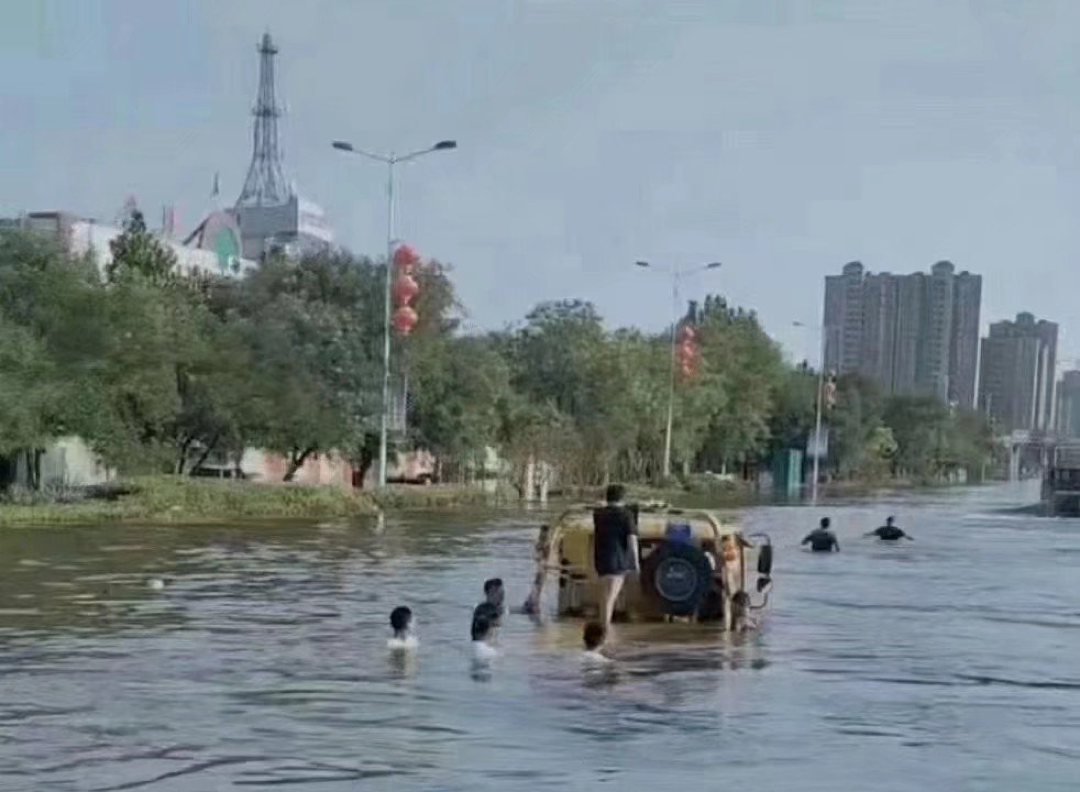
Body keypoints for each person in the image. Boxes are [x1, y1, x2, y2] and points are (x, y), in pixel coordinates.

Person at [592, 484, 640, 628]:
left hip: (600, 559)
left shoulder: (598, 514)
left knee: (604, 598)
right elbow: (632, 540)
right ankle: (605, 631)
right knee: (610, 598)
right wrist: (635, 563)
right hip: (618, 561)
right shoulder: (627, 515)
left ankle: (603, 628)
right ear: (623, 498)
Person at [521, 524, 552, 615]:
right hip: (541, 567)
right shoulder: (541, 542)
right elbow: (538, 555)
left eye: (544, 532)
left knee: (538, 585)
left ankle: (532, 603)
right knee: (538, 585)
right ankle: (532, 604)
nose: (543, 534)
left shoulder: (544, 542)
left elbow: (541, 555)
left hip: (542, 567)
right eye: (543, 532)